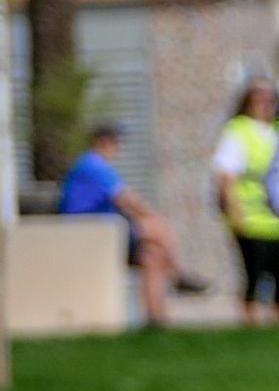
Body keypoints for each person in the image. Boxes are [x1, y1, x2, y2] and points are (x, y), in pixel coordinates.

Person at [58, 123, 209, 328]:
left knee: (153, 257)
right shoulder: (93, 165)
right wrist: (151, 216)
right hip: (90, 228)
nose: (116, 148)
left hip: (105, 228)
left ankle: (156, 319)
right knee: (156, 225)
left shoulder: (93, 166)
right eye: (114, 142)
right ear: (102, 142)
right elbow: (126, 200)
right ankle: (177, 274)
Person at [212, 79, 279, 325]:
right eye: (258, 100)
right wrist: (234, 210)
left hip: (278, 214)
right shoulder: (238, 130)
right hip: (250, 214)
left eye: (269, 100)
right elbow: (226, 176)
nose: (264, 105)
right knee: (254, 273)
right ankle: (251, 321)